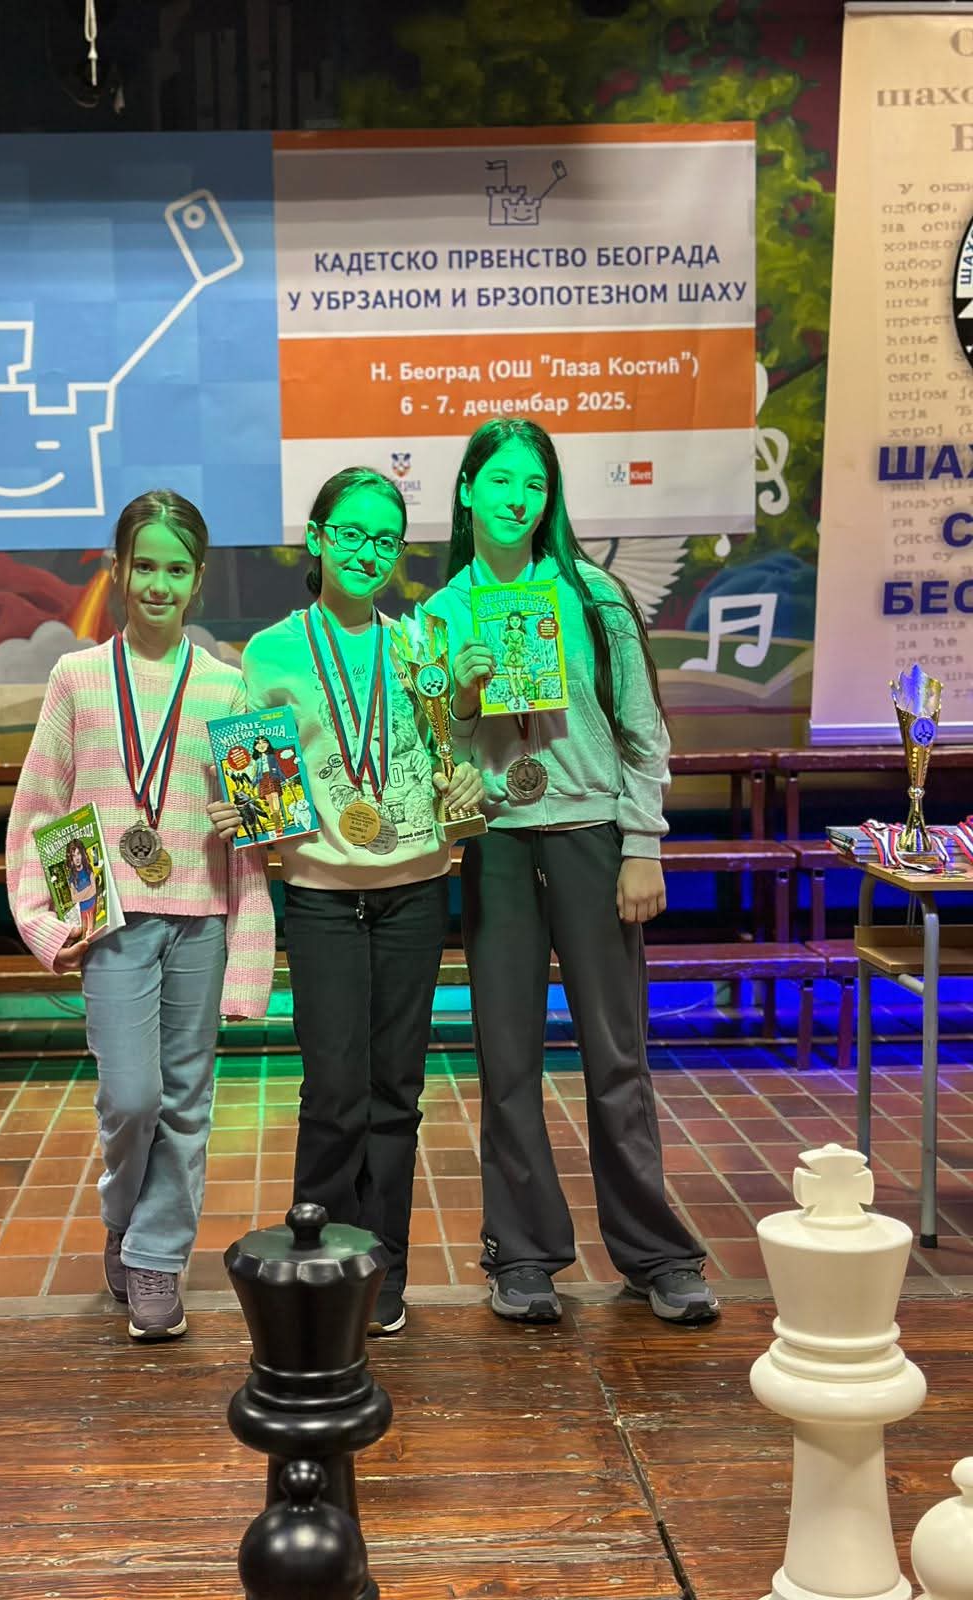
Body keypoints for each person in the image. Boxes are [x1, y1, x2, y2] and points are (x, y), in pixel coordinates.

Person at [424, 418, 717, 1327]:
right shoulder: (441, 616)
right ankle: (522, 1255)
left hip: (593, 838)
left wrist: (643, 842)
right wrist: (460, 699)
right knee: (508, 1060)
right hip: (499, 846)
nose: (519, 499)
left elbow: (641, 728)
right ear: (467, 489)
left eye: (535, 484)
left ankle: (656, 1253)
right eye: (501, 480)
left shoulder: (593, 595)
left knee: (617, 1057)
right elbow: (438, 758)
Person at [206, 466, 482, 1337]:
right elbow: (256, 782)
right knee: (333, 1091)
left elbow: (450, 751)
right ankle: (321, 1254)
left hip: (415, 889)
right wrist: (242, 807)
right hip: (322, 894)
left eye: (385, 539)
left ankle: (385, 1268)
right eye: (352, 533)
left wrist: (465, 729)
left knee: (396, 1091)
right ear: (318, 538)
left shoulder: (421, 644)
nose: (368, 552)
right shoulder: (272, 652)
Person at [6, 490, 274, 1341]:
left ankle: (156, 1257)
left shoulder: (229, 685)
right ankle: (123, 1219)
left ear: (198, 579)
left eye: (177, 569)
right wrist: (50, 920)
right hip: (109, 919)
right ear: (119, 570)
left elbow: (262, 826)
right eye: (145, 565)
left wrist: (247, 818)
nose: (159, 584)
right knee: (132, 1096)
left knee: (186, 1100)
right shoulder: (77, 677)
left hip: (202, 916)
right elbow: (41, 806)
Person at [66, 837, 98, 939]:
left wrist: (81, 895)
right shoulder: (72, 877)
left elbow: (94, 890)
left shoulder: (88, 869)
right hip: (82, 910)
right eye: (73, 855)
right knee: (84, 935)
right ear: (71, 859)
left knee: (94, 931)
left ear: (82, 854)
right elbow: (74, 898)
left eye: (78, 854)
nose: (77, 858)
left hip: (93, 905)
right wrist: (88, 889)